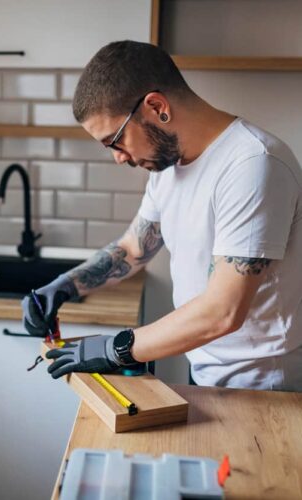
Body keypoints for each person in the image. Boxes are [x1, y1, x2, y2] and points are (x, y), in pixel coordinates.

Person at [21, 40, 302, 391]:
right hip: (205, 369)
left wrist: (116, 349)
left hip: (265, 387)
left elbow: (223, 312)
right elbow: (134, 249)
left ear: (156, 107)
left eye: (115, 140)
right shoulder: (167, 167)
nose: (118, 157)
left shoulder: (253, 164)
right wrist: (64, 286)